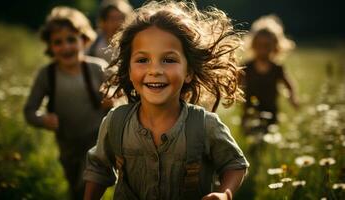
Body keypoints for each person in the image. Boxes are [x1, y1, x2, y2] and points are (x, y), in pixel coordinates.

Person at [83, 1, 249, 200]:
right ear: (128, 69)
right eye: (142, 60)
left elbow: (235, 164)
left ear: (188, 72)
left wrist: (225, 194)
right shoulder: (115, 123)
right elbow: (98, 169)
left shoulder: (205, 125)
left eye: (169, 60)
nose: (155, 71)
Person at [23, 6, 110, 200]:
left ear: (84, 40)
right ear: (50, 46)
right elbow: (29, 110)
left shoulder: (97, 68)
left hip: (96, 139)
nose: (66, 47)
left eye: (71, 39)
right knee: (75, 187)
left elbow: (119, 99)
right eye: (58, 42)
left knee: (88, 185)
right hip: (67, 143)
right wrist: (42, 119)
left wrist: (112, 101)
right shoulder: (47, 75)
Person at [241, 15, 299, 135]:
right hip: (249, 112)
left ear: (275, 46)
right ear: (253, 44)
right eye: (259, 45)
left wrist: (293, 98)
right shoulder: (246, 67)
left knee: (268, 141)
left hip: (271, 113)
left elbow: (289, 84)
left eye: (267, 45)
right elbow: (234, 83)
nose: (262, 49)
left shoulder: (277, 68)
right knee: (249, 142)